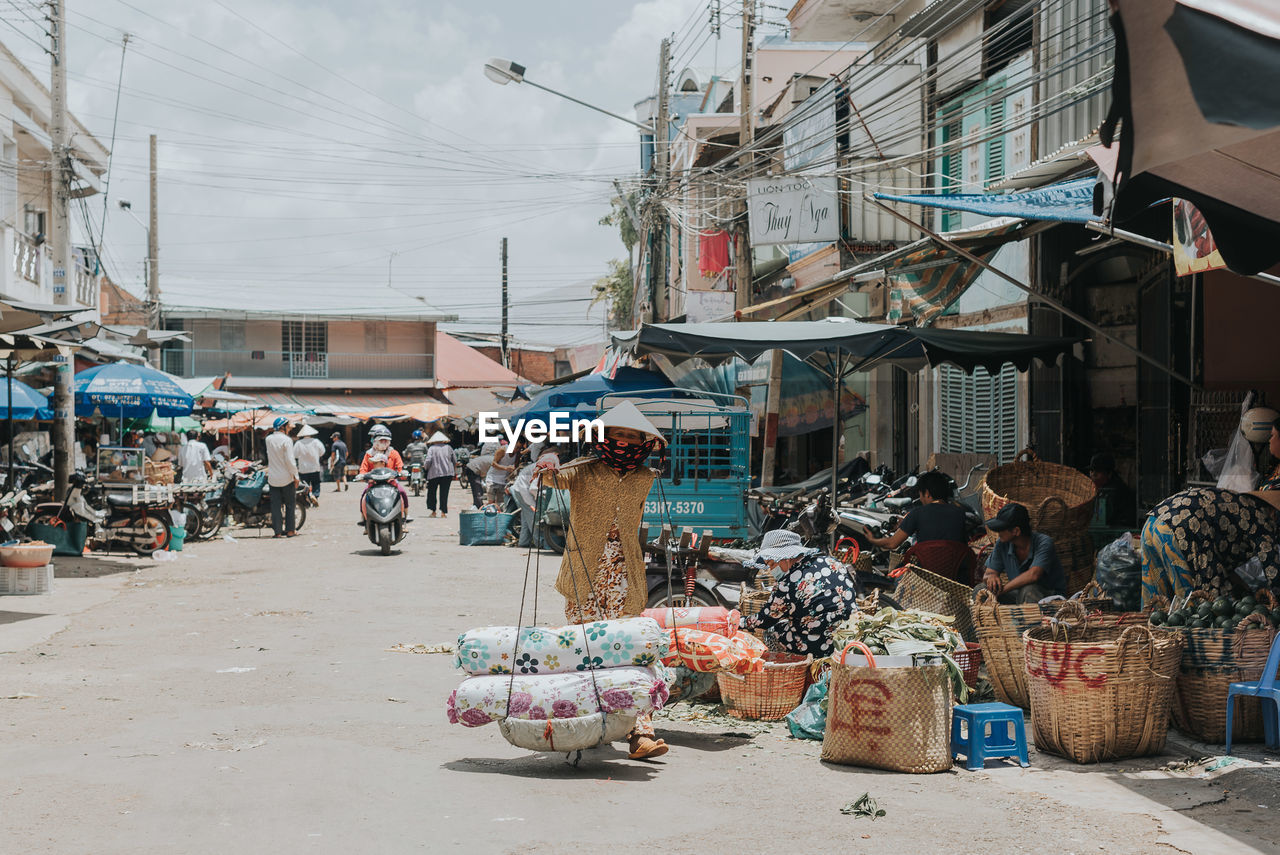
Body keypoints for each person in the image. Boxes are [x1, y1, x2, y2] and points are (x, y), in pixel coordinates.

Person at [534, 402, 669, 761]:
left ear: (643, 443)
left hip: (627, 574)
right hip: (585, 572)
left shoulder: (645, 477)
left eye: (632, 437)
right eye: (618, 435)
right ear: (603, 437)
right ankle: (589, 725)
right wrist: (548, 460)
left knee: (630, 653)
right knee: (585, 652)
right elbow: (553, 477)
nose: (624, 442)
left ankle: (641, 731)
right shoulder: (583, 471)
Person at [1141, 419, 1280, 606]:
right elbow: (1273, 570)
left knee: (1156, 609)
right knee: (1196, 611)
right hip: (1181, 534)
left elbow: (1223, 570)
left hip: (1153, 523)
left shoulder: (1238, 504)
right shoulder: (1262, 521)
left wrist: (1242, 590)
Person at [738, 529, 859, 657]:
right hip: (851, 637)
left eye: (772, 564)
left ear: (786, 558)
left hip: (821, 645)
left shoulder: (788, 583)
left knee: (772, 631)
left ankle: (786, 668)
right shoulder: (832, 562)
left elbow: (764, 620)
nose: (772, 570)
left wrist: (739, 622)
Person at [866, 470, 975, 582]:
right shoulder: (960, 512)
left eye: (920, 494)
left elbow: (892, 543)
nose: (921, 499)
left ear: (927, 493)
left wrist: (873, 539)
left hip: (925, 576)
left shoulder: (917, 513)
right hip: (956, 575)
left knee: (894, 575)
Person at [978, 503, 1066, 604]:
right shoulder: (1002, 544)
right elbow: (988, 574)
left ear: (1016, 531)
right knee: (981, 589)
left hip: (1050, 598)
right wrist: (991, 577)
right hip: (1018, 595)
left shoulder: (1044, 542)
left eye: (1001, 529)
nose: (998, 532)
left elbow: (1033, 575)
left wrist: (1003, 590)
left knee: (1029, 591)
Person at [264, 417, 300, 538]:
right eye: (288, 426)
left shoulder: (268, 439)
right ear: (282, 427)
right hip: (286, 478)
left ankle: (277, 532)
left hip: (273, 478)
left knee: (275, 506)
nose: (289, 428)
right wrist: (296, 476)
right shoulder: (287, 440)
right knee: (290, 505)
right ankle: (290, 531)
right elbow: (290, 460)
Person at [359, 424, 408, 511]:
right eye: (381, 440)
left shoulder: (394, 453)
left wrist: (402, 472)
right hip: (374, 482)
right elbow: (364, 468)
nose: (383, 442)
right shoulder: (369, 454)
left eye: (385, 440)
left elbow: (400, 466)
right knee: (364, 495)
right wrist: (362, 475)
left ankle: (405, 513)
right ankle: (363, 516)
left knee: (403, 492)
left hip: (391, 482)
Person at [1087, 452, 1137, 527]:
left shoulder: (1115, 490)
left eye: (1098, 471)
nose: (1093, 474)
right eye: (1092, 471)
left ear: (1109, 473)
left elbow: (1105, 518)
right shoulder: (1100, 487)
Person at [423, 430, 455, 517]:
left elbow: (428, 461)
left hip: (434, 474)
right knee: (444, 493)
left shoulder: (432, 448)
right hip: (447, 474)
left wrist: (425, 467)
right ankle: (443, 513)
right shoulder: (449, 448)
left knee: (432, 493)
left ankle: (433, 512)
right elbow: (454, 460)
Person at [293, 425, 326, 501]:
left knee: (305, 485)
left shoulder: (298, 443)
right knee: (316, 483)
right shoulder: (316, 441)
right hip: (315, 467)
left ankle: (307, 498)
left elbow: (295, 455)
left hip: (303, 468)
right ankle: (315, 496)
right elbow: (322, 452)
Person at [464, 442, 495, 508]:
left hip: (473, 468)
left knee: (478, 489)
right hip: (473, 469)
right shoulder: (496, 462)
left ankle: (477, 504)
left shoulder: (494, 459)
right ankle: (478, 506)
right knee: (477, 489)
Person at [484, 437, 512, 505]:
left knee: (500, 504)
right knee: (491, 503)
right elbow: (494, 463)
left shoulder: (518, 453)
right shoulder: (503, 450)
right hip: (492, 480)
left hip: (503, 482)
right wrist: (506, 468)